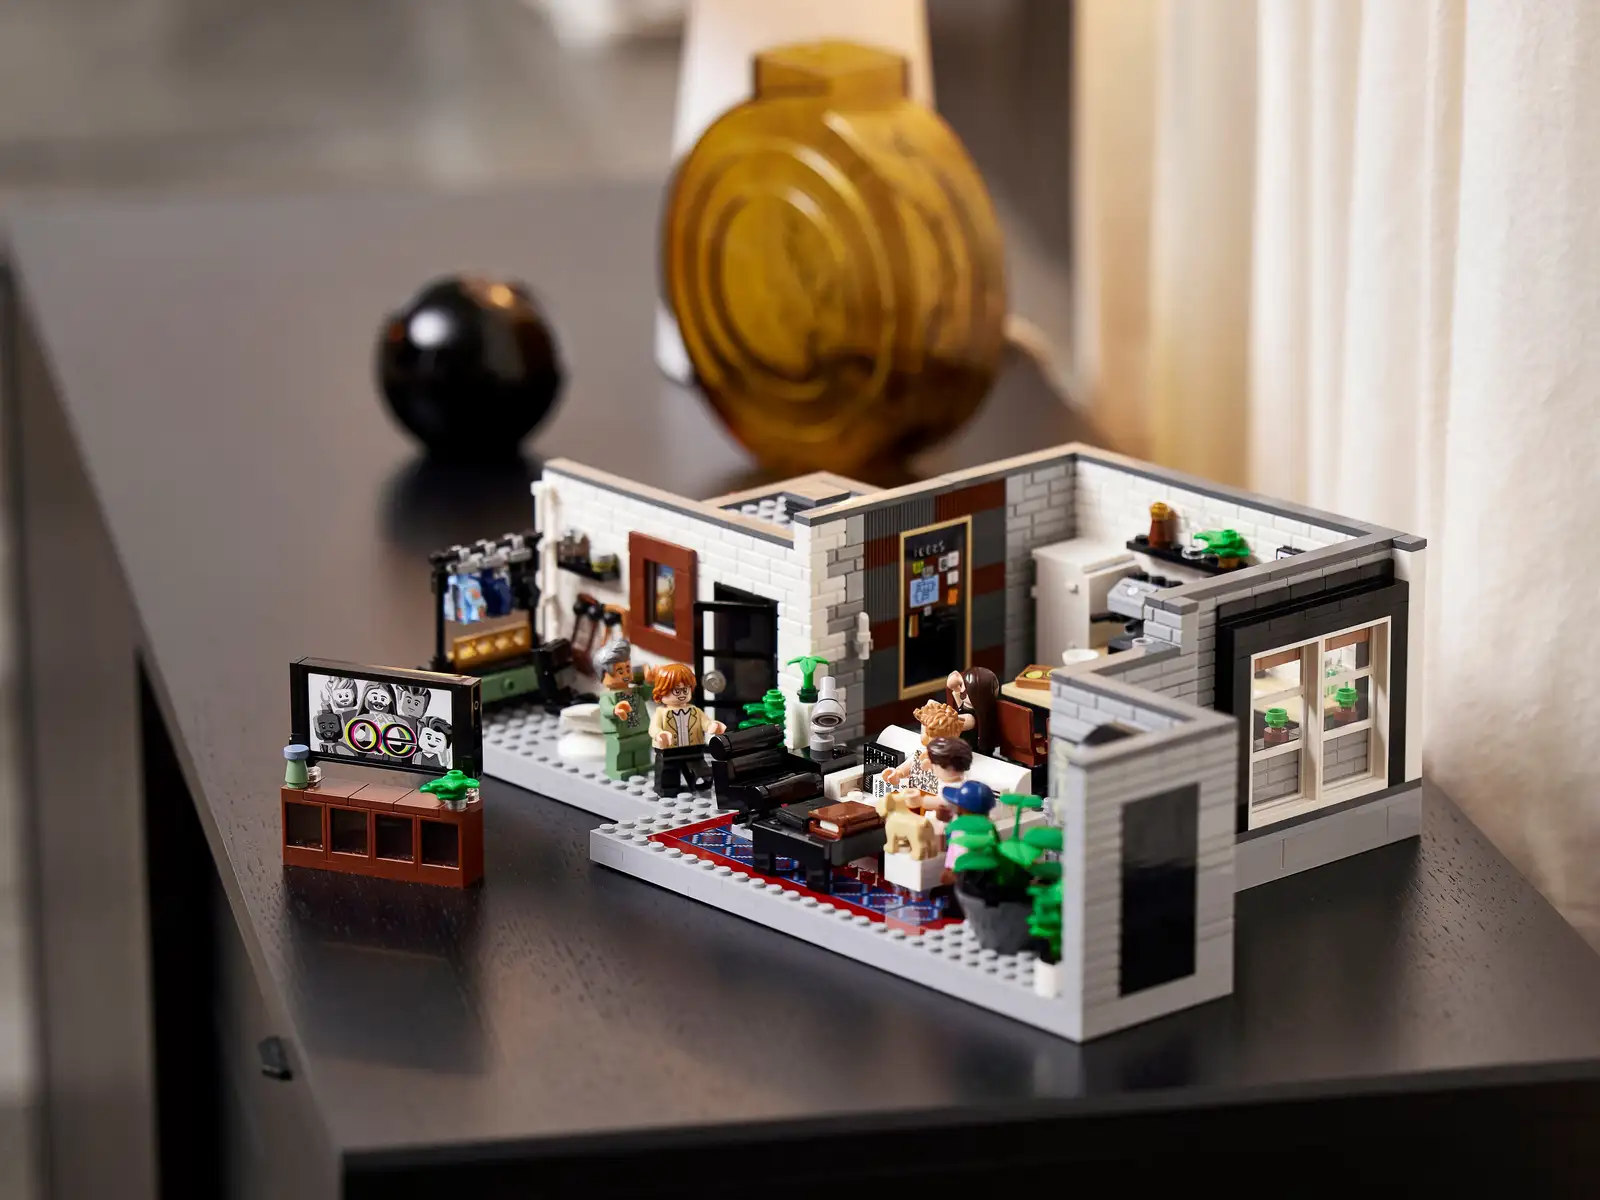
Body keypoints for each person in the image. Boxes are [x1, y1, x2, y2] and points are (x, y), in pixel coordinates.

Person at [647, 662, 726, 793]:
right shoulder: (661, 713)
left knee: (700, 772)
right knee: (668, 774)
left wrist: (713, 726)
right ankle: (669, 790)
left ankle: (699, 786)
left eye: (686, 690)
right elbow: (653, 728)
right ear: (662, 691)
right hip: (669, 750)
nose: (682, 694)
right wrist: (659, 734)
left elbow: (705, 722)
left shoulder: (695, 711)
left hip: (693, 749)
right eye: (677, 691)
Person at [595, 639, 654, 780]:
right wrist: (615, 710)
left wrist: (649, 682)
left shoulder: (635, 690)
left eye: (628, 669)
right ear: (603, 676)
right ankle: (619, 769)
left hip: (640, 729)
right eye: (620, 671)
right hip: (619, 733)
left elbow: (646, 695)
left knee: (641, 750)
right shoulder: (607, 696)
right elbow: (605, 709)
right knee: (621, 753)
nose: (626, 674)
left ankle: (642, 766)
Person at [946, 666, 1000, 756]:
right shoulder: (973, 708)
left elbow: (951, 724)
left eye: (962, 686)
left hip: (968, 752)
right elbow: (952, 683)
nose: (960, 689)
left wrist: (940, 716)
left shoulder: (970, 718)